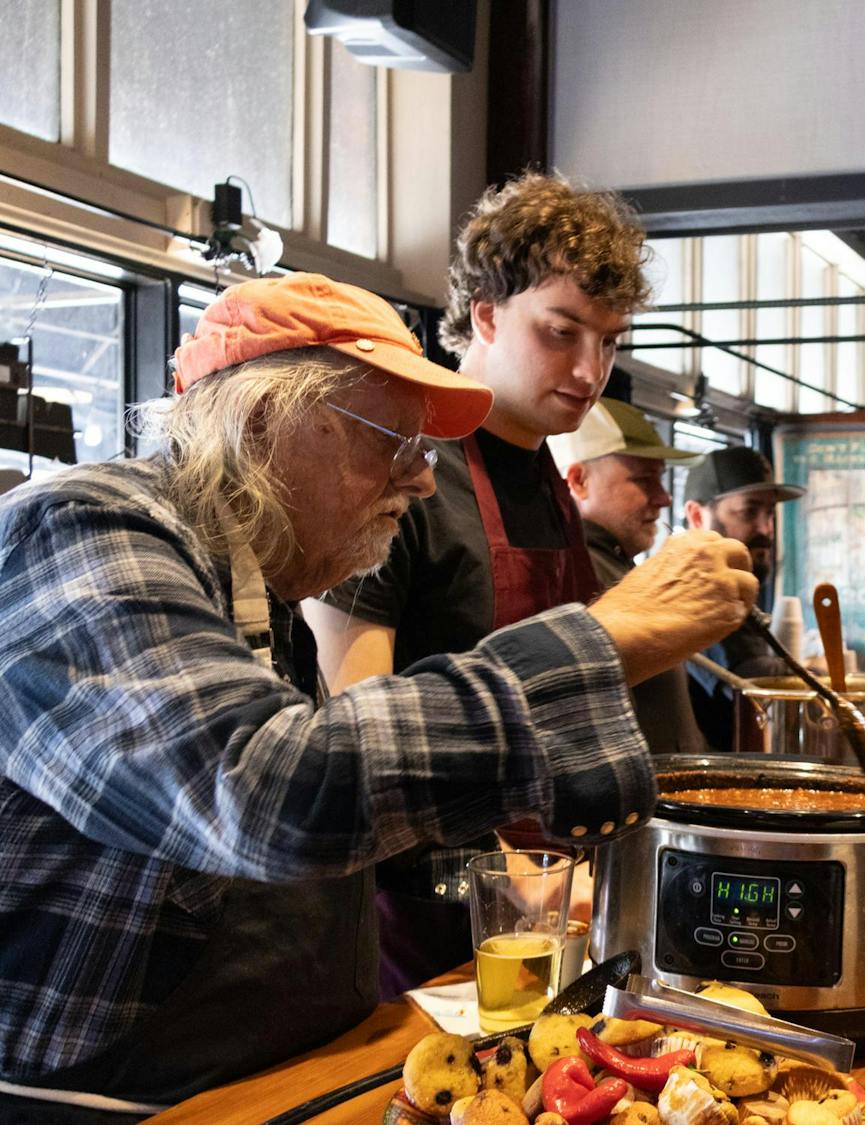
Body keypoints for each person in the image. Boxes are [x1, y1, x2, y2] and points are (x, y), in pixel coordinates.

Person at [0, 273, 756, 1121]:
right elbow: (260, 790)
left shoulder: (264, 592)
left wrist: (501, 884)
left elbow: (321, 845)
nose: (423, 480)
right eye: (391, 440)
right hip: (104, 1100)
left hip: (291, 1071)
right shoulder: (79, 527)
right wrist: (609, 636)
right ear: (262, 423)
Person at [304, 171, 653, 996]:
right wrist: (507, 879)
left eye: (608, 341)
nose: (589, 367)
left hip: (549, 911)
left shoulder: (547, 487)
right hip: (422, 937)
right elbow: (358, 746)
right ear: (487, 313)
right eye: (563, 331)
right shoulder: (402, 476)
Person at [549, 397, 708, 754]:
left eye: (661, 479)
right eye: (643, 479)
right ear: (579, 480)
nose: (664, 498)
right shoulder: (578, 572)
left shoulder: (618, 565)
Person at [681, 445, 805, 750]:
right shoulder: (696, 589)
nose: (765, 529)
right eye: (749, 511)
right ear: (697, 516)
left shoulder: (736, 590)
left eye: (769, 513)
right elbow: (752, 682)